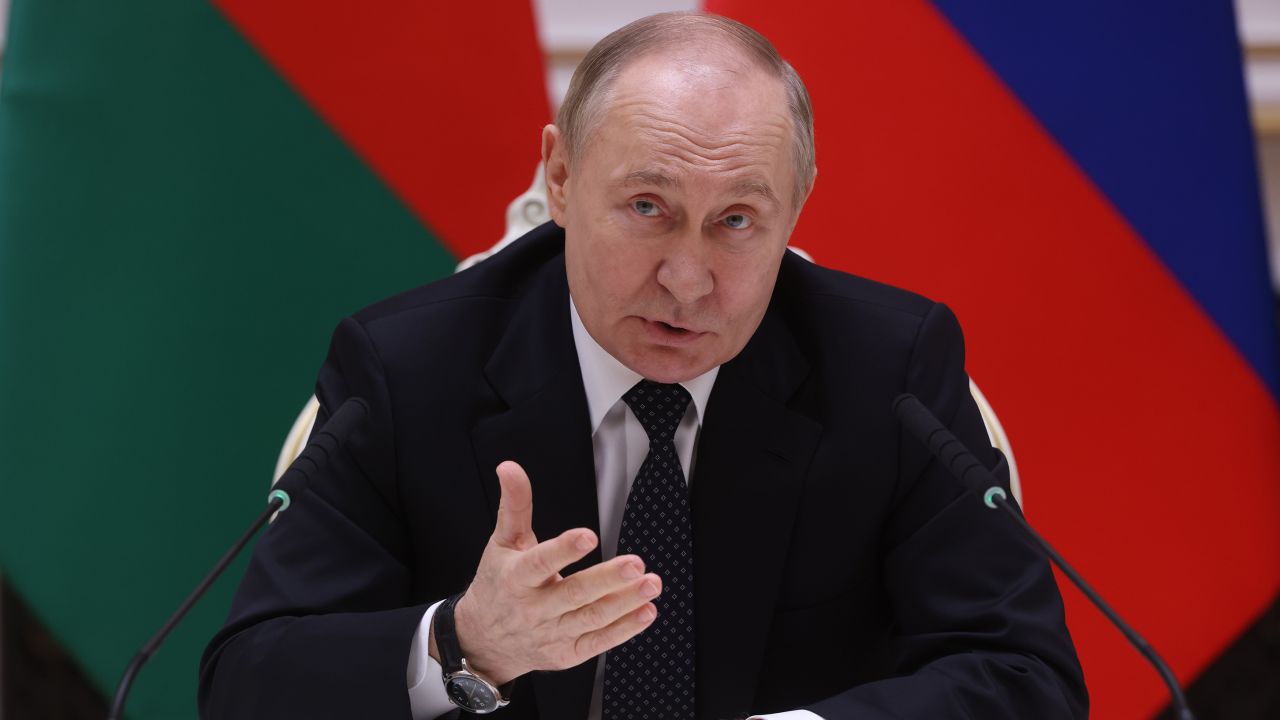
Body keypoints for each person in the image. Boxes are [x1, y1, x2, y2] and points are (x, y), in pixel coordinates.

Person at [200, 11, 1086, 720]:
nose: (689, 279)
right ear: (560, 175)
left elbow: (1025, 677)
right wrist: (464, 643)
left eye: (737, 219)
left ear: (797, 205)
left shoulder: (888, 373)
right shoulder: (407, 368)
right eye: (648, 206)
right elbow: (247, 683)